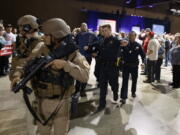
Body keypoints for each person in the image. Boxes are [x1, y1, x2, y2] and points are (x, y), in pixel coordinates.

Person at [11, 18, 90, 135]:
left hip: (62, 102)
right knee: (43, 132)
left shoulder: (72, 53)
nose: (43, 36)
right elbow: (26, 64)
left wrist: (66, 65)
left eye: (47, 35)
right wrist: (17, 75)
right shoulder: (41, 48)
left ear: (56, 36)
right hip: (42, 100)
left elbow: (85, 76)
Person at [9, 15, 45, 135]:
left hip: (36, 82)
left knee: (35, 112)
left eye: (22, 28)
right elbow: (16, 59)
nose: (20, 31)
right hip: (24, 80)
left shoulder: (41, 43)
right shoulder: (23, 41)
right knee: (28, 110)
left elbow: (29, 61)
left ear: (30, 27)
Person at [97, 24, 127, 111]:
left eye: (106, 30)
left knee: (113, 83)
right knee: (103, 85)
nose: (104, 32)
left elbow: (124, 42)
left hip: (113, 67)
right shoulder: (102, 41)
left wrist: (125, 42)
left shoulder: (115, 40)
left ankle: (115, 92)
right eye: (103, 31)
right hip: (103, 66)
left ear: (110, 30)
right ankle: (102, 103)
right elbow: (100, 52)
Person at [120, 31, 145, 104]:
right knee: (125, 81)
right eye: (130, 35)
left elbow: (142, 55)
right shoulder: (124, 44)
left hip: (134, 66)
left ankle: (133, 91)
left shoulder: (138, 45)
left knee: (134, 80)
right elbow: (120, 53)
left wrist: (143, 62)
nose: (131, 37)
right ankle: (123, 97)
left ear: (135, 36)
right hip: (126, 66)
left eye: (132, 35)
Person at [75, 22, 97, 97]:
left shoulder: (91, 34)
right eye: (82, 26)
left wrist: (90, 47)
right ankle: (77, 89)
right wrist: (77, 48)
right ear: (80, 27)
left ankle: (82, 90)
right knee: (78, 72)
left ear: (87, 27)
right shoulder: (78, 35)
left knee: (85, 73)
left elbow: (97, 42)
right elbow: (75, 43)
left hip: (87, 57)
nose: (83, 27)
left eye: (85, 26)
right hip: (79, 57)